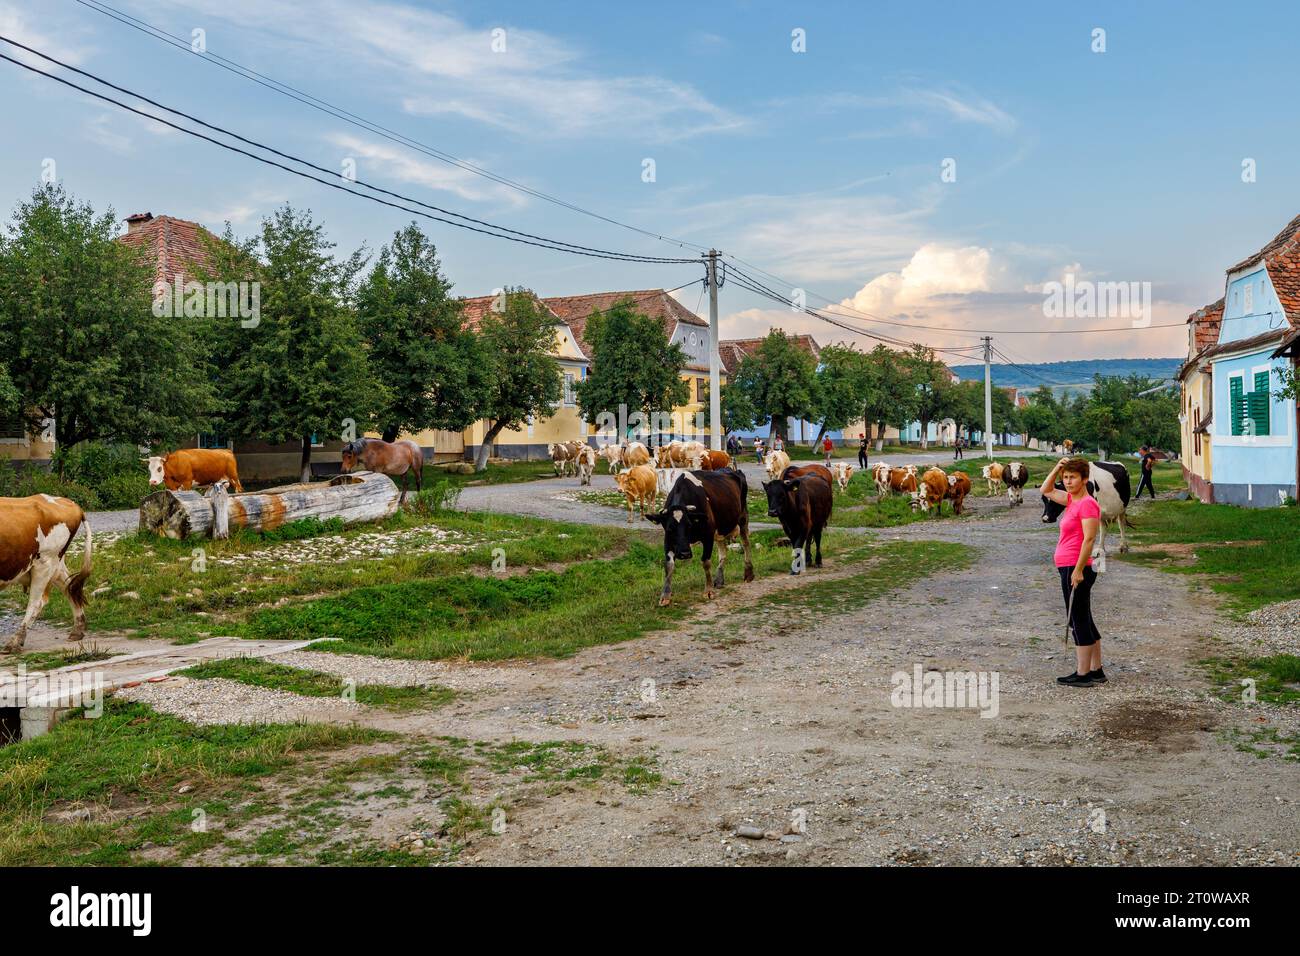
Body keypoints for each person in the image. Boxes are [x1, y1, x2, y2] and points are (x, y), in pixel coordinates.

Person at [1040, 457, 1106, 687]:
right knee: (1084, 616)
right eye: (1065, 478)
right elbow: (1046, 490)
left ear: (1084, 479)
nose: (1068, 482)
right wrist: (1058, 467)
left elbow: (1089, 539)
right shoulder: (1071, 500)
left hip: (1077, 567)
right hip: (1068, 565)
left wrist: (1078, 570)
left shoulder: (1087, 503)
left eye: (1073, 477)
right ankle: (1096, 670)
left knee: (1077, 619)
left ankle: (1083, 673)